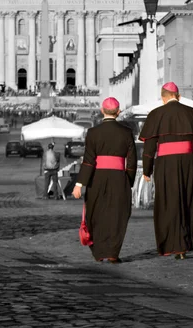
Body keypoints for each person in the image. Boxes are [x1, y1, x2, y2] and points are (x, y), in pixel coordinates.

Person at [139, 82, 193, 259]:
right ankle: (184, 245)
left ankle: (172, 243)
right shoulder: (192, 113)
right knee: (188, 201)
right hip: (188, 163)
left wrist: (146, 171)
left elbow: (149, 149)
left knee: (168, 202)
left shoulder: (156, 114)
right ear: (178, 96)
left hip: (165, 164)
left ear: (163, 97)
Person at [72, 97, 137, 263]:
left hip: (97, 178)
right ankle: (113, 253)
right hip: (118, 178)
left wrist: (79, 184)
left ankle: (99, 252)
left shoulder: (93, 133)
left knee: (96, 213)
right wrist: (128, 181)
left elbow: (88, 160)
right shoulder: (127, 133)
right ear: (118, 112)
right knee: (118, 215)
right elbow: (132, 162)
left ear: (102, 111)